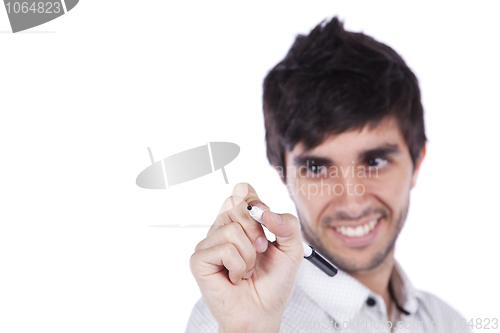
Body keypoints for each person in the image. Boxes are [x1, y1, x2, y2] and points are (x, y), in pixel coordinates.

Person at [186, 17, 471, 332]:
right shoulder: (230, 317)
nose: (351, 202)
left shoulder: (449, 323)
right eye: (317, 168)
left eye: (375, 162)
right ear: (283, 175)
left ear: (417, 162)